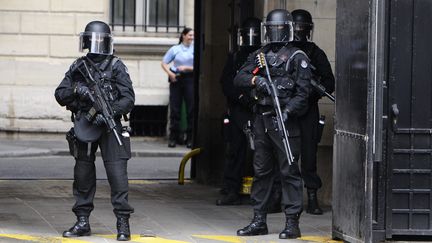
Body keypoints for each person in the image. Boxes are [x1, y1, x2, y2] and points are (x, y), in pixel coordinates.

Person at [234, 9, 312, 239]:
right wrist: (257, 80)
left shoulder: (298, 57)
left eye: (279, 28)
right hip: (262, 120)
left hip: (286, 122)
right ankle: (259, 220)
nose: (275, 33)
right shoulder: (260, 55)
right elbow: (239, 78)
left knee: (289, 172)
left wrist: (288, 111)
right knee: (261, 172)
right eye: (272, 29)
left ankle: (291, 223)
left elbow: (303, 93)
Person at [54, 21, 135, 241]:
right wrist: (77, 90)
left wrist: (109, 112)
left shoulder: (116, 66)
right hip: (85, 126)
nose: (96, 44)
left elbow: (128, 99)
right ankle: (82, 221)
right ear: (87, 41)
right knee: (83, 175)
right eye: (93, 40)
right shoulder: (79, 66)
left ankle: (122, 223)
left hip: (110, 126)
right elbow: (60, 93)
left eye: (100, 40)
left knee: (118, 176)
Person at [291, 9, 335, 215]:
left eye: (303, 28)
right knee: (285, 155)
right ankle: (281, 198)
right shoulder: (284, 49)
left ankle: (311, 197)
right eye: (297, 27)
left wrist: (311, 92)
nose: (300, 31)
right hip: (288, 109)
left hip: (308, 110)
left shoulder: (315, 52)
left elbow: (329, 81)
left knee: (309, 156)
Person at [216, 17, 261, 206]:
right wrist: (242, 98)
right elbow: (226, 82)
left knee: (262, 155)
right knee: (235, 152)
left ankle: (262, 194)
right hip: (237, 111)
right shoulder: (235, 57)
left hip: (258, 110)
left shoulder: (264, 55)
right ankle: (231, 190)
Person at [161, 28, 195, 148]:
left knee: (191, 109)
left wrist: (187, 68)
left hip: (190, 79)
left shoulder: (194, 48)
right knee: (175, 109)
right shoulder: (175, 49)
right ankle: (173, 138)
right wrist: (170, 74)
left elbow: (199, 65)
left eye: (193, 35)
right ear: (184, 36)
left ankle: (190, 138)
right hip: (177, 79)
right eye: (190, 35)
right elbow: (164, 62)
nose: (192, 37)